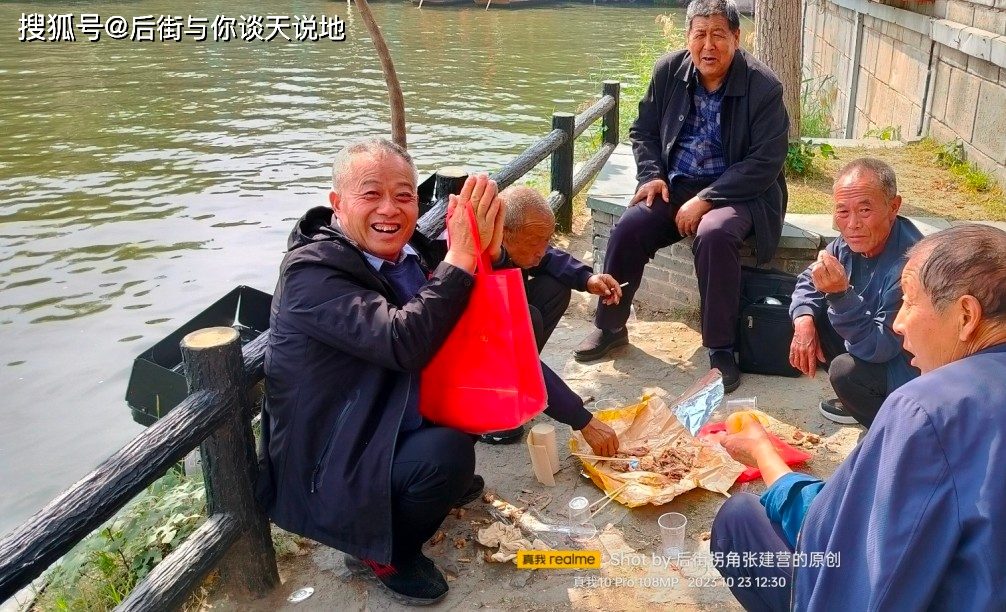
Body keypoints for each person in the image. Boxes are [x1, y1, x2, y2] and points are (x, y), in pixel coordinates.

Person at [707, 224, 1006, 612]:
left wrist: (763, 451)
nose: (899, 323)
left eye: (908, 302)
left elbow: (839, 542)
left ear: (966, 315)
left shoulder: (927, 410)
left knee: (741, 519)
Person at [258, 139, 610, 606]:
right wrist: (462, 258)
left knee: (481, 392)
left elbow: (477, 322)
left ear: (418, 201)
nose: (391, 208)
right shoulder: (312, 273)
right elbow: (402, 342)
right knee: (446, 454)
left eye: (404, 195)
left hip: (389, 410)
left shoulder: (407, 252)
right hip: (333, 459)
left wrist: (490, 254)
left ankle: (422, 488)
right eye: (371, 194)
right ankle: (380, 554)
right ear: (337, 204)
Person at [572, 0, 790, 393]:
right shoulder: (668, 71)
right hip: (677, 182)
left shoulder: (764, 87)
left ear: (737, 38)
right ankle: (610, 327)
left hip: (741, 190)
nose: (709, 45)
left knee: (715, 234)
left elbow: (765, 162)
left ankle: (721, 349)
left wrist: (708, 198)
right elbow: (645, 131)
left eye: (719, 35)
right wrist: (652, 175)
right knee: (629, 227)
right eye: (700, 35)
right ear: (688, 38)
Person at [477, 185, 624, 449]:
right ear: (503, 233)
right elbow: (514, 352)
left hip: (503, 340)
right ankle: (492, 408)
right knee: (528, 317)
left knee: (554, 288)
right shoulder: (474, 261)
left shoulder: (512, 242)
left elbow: (549, 258)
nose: (542, 251)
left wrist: (587, 278)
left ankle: (517, 388)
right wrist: (582, 419)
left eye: (546, 240)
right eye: (536, 242)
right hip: (475, 355)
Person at [788, 158, 924, 427]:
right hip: (870, 337)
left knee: (845, 372)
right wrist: (803, 319)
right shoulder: (848, 242)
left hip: (908, 370)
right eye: (843, 212)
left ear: (893, 207)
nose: (852, 224)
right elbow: (809, 278)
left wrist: (840, 295)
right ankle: (857, 400)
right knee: (810, 313)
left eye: (864, 210)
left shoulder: (912, 264)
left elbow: (881, 346)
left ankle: (894, 424)